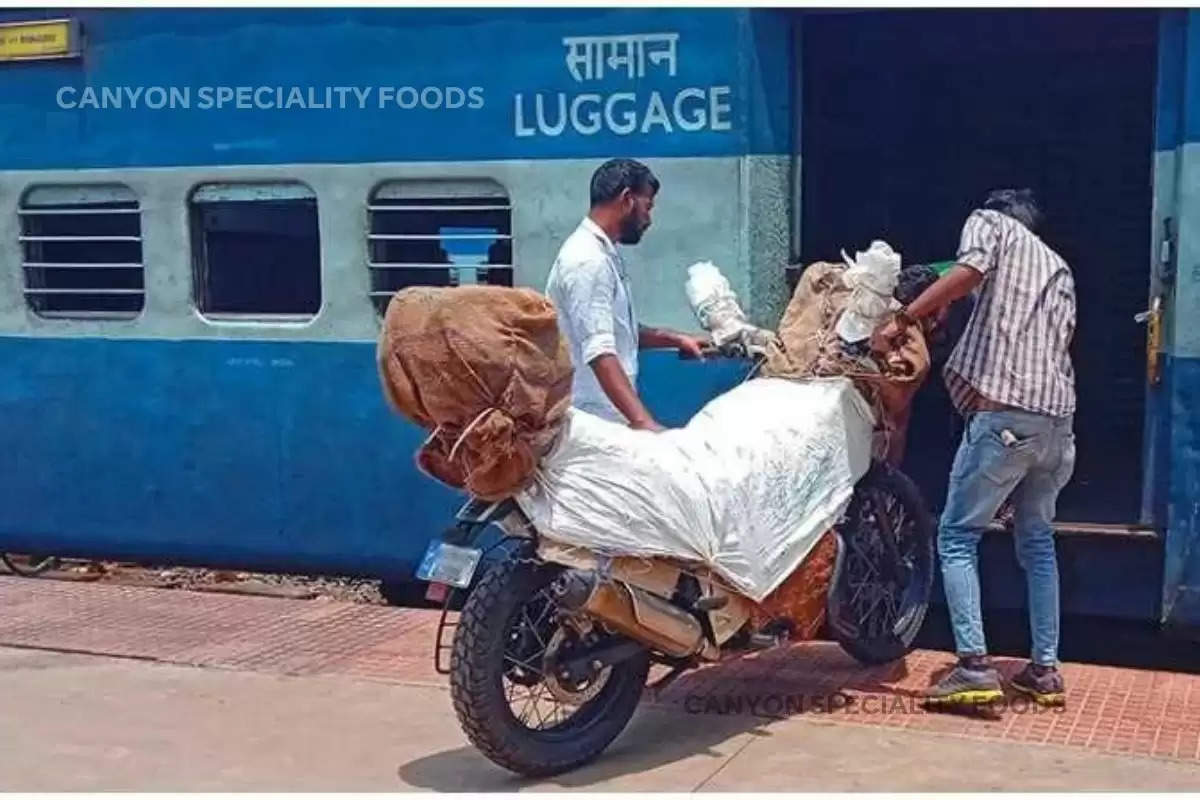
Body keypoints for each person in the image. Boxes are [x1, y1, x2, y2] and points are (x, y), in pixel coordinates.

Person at [872, 188, 1076, 709]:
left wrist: (902, 319)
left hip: (1004, 417)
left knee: (957, 536)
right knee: (1036, 541)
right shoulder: (1058, 268)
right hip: (1057, 424)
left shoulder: (990, 224)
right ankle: (1045, 670)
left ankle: (973, 667)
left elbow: (968, 272)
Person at [546, 158, 708, 431]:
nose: (649, 219)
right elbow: (600, 351)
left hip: (606, 418)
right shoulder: (587, 260)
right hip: (592, 422)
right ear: (627, 199)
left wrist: (677, 339)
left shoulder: (604, 254)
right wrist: (645, 423)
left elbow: (618, 330)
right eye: (648, 206)